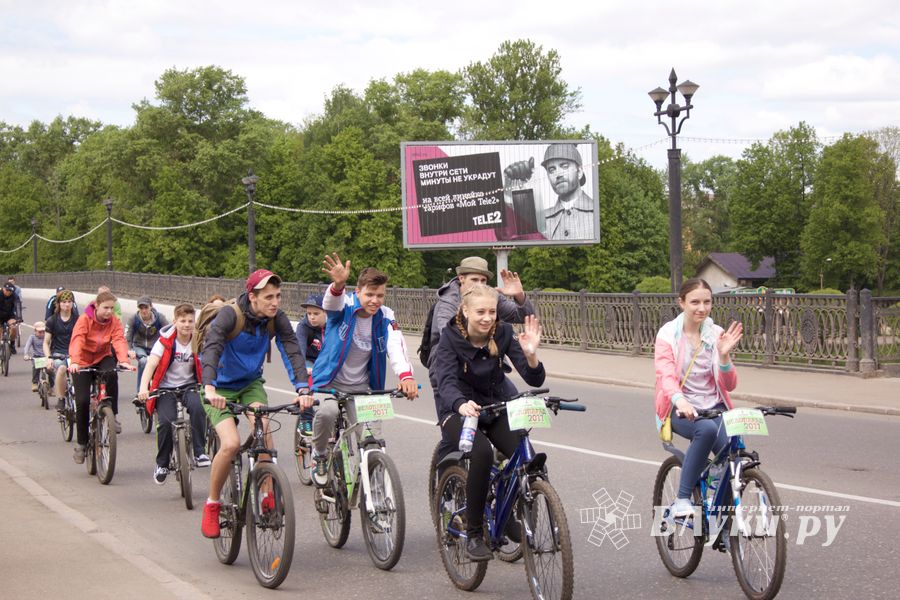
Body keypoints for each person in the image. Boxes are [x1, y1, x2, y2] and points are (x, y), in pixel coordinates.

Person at [432, 285, 545, 561]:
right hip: (458, 411)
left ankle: (506, 512)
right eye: (480, 312)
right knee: (481, 454)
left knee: (522, 451)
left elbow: (534, 379)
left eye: (492, 312)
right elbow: (444, 381)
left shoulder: (503, 333)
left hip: (494, 406)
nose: (486, 318)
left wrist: (531, 355)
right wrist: (460, 403)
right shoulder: (449, 338)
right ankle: (473, 534)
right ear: (466, 311)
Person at [200, 269, 310, 539]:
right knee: (231, 444)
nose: (275, 302)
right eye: (269, 297)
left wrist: (303, 388)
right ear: (252, 297)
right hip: (220, 388)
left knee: (265, 435)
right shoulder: (230, 315)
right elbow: (212, 346)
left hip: (250, 385)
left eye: (279, 296)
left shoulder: (276, 319)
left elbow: (292, 349)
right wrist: (210, 386)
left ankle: (266, 495)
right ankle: (213, 503)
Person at [309, 254, 418, 486]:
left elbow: (396, 345)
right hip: (329, 383)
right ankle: (318, 454)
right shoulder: (345, 305)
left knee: (373, 441)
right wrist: (338, 284)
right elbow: (330, 304)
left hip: (363, 388)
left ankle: (377, 499)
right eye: (369, 294)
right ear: (358, 291)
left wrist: (405, 376)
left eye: (380, 295)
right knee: (327, 413)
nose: (374, 300)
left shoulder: (386, 316)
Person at [653, 278, 743, 517]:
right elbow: (665, 375)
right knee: (706, 431)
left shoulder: (716, 334)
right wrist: (680, 400)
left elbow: (730, 385)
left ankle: (722, 521)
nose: (701, 308)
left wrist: (724, 357)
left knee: (735, 458)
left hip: (715, 406)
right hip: (679, 407)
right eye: (695, 302)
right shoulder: (668, 334)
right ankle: (683, 499)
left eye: (707, 302)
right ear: (681, 302)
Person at [428, 256, 534, 459]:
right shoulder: (448, 301)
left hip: (486, 371)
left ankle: (504, 457)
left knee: (512, 404)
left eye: (483, 281)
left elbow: (523, 317)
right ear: (461, 278)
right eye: (474, 280)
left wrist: (520, 297)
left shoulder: (487, 297)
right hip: (449, 371)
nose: (479, 285)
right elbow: (449, 339)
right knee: (458, 440)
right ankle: (446, 473)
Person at [137, 303, 210, 484]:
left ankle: (200, 451)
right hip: (165, 388)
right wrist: (143, 389)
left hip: (189, 385)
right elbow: (151, 365)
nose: (187, 325)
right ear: (175, 321)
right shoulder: (165, 342)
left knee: (198, 407)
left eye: (190, 321)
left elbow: (209, 362)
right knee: (165, 421)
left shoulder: (197, 340)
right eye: (182, 321)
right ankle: (162, 463)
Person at [68, 290, 135, 463]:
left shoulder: (113, 321)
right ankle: (82, 444)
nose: (109, 312)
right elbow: (77, 340)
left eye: (112, 308)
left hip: (102, 357)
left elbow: (119, 340)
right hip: (82, 360)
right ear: (96, 306)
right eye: (105, 308)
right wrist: (75, 361)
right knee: (82, 401)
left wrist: (123, 360)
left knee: (112, 373)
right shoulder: (84, 320)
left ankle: (113, 414)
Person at [540, 143, 594, 241]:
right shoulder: (541, 220)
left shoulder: (596, 211)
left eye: (564, 166)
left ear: (580, 172)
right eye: (552, 170)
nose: (558, 174)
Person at [294, 292, 325, 436]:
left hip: (326, 362)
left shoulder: (333, 326)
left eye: (316, 313)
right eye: (309, 313)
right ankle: (305, 419)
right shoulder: (303, 326)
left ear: (326, 312)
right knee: (308, 384)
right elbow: (298, 350)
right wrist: (304, 368)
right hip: (309, 361)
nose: (312, 317)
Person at [127, 296, 169, 392]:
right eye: (141, 308)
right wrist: (129, 349)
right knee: (144, 361)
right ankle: (140, 391)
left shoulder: (160, 318)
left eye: (146, 307)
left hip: (155, 347)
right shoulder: (134, 319)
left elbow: (168, 333)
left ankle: (161, 390)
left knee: (163, 363)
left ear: (151, 307)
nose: (144, 310)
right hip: (139, 347)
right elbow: (127, 335)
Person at [44, 289, 78, 408]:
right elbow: (46, 342)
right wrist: (48, 358)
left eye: (69, 301)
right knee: (62, 368)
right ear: (58, 304)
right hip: (58, 353)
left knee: (80, 371)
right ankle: (61, 398)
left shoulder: (78, 320)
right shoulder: (52, 320)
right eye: (64, 302)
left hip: (75, 353)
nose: (67, 304)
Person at [22, 321, 47, 392]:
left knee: (50, 371)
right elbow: (27, 346)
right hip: (37, 357)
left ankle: (52, 386)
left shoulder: (47, 336)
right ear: (35, 331)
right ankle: (35, 383)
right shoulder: (32, 337)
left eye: (43, 331)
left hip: (46, 357)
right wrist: (26, 354)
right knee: (36, 369)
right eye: (40, 332)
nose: (42, 334)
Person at [0, 282, 23, 354]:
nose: (9, 292)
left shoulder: (14, 295)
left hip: (10, 315)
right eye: (7, 290)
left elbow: (18, 306)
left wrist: (19, 317)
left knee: (13, 327)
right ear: (3, 289)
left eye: (10, 291)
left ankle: (12, 345)